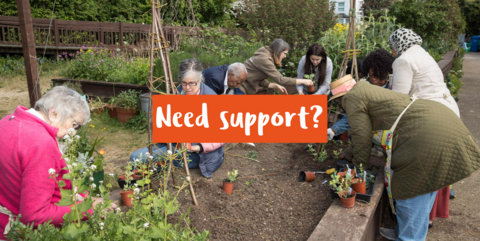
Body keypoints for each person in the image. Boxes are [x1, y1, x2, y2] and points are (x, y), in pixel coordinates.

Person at [329, 77, 480, 241]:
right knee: (427, 186)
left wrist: (358, 172)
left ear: (341, 98)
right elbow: (368, 130)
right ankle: (403, 232)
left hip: (426, 137)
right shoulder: (366, 91)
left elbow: (361, 137)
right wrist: (349, 153)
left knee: (409, 191)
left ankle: (410, 237)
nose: (340, 107)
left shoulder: (352, 98)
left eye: (337, 103)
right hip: (439, 121)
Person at [0, 86, 114, 239]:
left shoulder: (7, 121)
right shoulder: (40, 142)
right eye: (74, 125)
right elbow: (35, 215)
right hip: (20, 233)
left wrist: (84, 198)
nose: (74, 133)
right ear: (53, 113)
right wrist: (90, 209)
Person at [388, 28, 459, 226]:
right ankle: (423, 221)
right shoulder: (422, 53)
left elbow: (399, 101)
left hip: (431, 119)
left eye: (392, 48)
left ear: (397, 45)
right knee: (433, 174)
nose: (392, 52)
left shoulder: (403, 60)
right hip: (448, 111)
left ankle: (413, 227)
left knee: (418, 172)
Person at [130, 59, 225, 178]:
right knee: (135, 157)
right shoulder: (178, 91)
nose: (188, 88)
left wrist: (199, 147)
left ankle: (140, 184)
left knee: (140, 159)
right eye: (184, 83)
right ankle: (137, 184)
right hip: (176, 144)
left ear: (199, 80)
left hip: (198, 154)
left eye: (192, 83)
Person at [328, 49, 395, 142]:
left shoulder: (395, 88)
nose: (373, 79)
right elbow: (355, 112)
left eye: (377, 75)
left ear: (387, 73)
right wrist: (333, 130)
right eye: (371, 75)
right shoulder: (365, 88)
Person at [240, 38, 313, 94]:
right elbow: (281, 80)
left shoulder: (265, 56)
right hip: (239, 87)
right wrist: (303, 81)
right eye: (285, 53)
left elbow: (256, 79)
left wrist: (275, 85)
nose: (285, 56)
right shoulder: (265, 60)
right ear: (279, 51)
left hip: (244, 87)